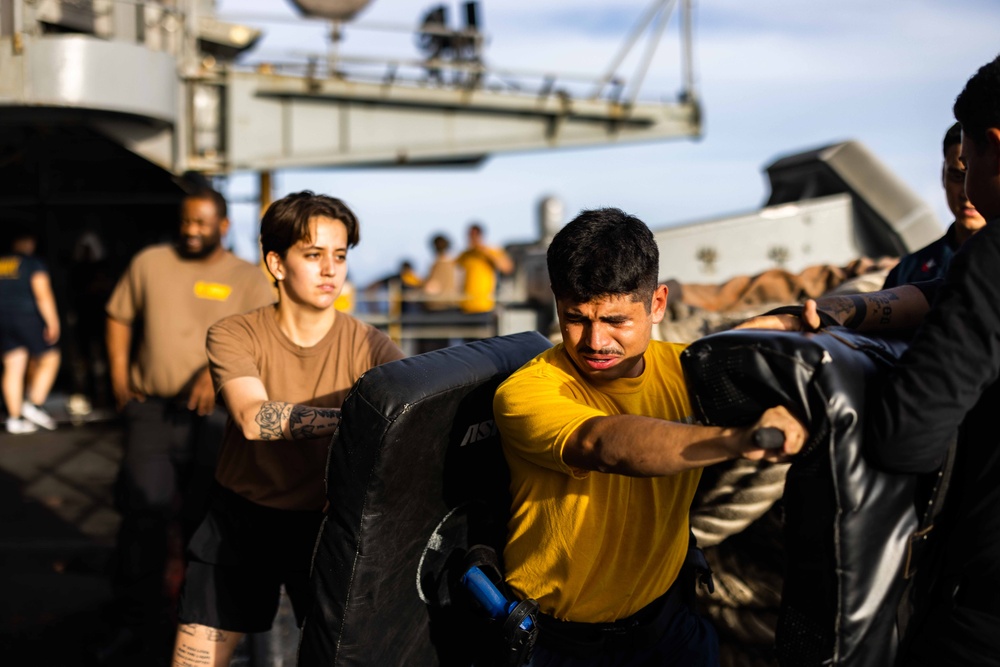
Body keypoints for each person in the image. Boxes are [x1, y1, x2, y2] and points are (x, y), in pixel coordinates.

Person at [737, 55, 1000, 666]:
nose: (964, 180)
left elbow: (905, 439)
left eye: (969, 162)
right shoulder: (950, 271)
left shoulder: (989, 261)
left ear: (992, 145)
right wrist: (848, 310)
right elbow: (933, 296)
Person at [492, 208, 806, 666]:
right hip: (560, 646)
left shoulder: (684, 369)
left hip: (670, 627)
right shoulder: (526, 392)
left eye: (617, 320)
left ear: (657, 304)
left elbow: (746, 341)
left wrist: (809, 318)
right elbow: (605, 444)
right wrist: (737, 440)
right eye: (576, 318)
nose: (595, 342)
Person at [171, 191, 405, 667]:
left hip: (328, 525)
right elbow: (254, 419)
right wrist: (358, 421)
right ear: (276, 263)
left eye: (339, 256)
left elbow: (412, 419)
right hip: (242, 518)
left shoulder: (372, 345)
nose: (330, 270)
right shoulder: (234, 333)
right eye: (313, 255)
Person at [102, 187, 275, 662]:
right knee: (143, 513)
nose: (191, 230)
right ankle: (134, 622)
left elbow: (265, 341)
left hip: (216, 418)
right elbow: (118, 316)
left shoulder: (247, 278)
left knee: (206, 522)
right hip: (152, 410)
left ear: (223, 225)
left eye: (202, 222)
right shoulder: (150, 262)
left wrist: (215, 373)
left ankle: (201, 626)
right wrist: (118, 373)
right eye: (186, 221)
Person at [882, 122, 986, 287]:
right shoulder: (907, 272)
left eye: (978, 176)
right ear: (942, 175)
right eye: (957, 177)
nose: (966, 193)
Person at [0, 230, 60, 434]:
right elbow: (42, 293)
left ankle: (14, 419)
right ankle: (33, 403)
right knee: (50, 357)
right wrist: (52, 321)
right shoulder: (32, 263)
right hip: (27, 316)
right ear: (27, 243)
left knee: (13, 365)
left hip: (3, 318)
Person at [457, 223, 513, 314]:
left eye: (475, 235)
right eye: (470, 235)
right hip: (465, 306)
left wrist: (485, 252)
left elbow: (507, 268)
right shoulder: (465, 255)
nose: (472, 238)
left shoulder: (491, 251)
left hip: (485, 305)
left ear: (481, 236)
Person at [422, 233, 460, 312]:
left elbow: (430, 287)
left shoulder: (437, 265)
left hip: (438, 307)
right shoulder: (455, 263)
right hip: (454, 305)